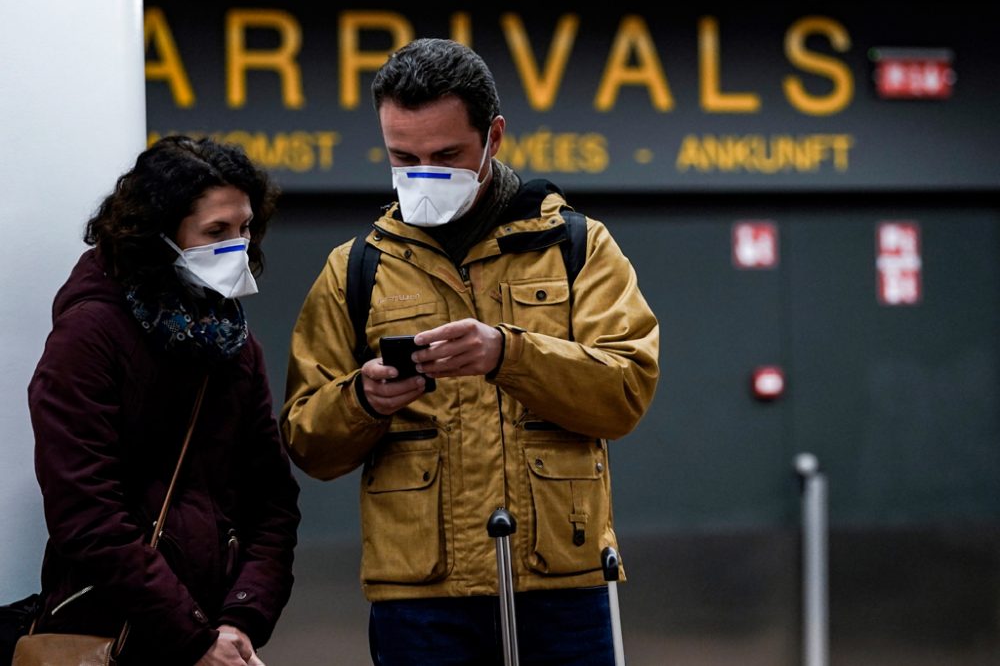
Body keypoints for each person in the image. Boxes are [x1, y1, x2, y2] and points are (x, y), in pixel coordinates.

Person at [281, 38, 659, 665]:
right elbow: (306, 441)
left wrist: (508, 354)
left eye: (447, 154)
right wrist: (363, 400)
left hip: (560, 587)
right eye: (403, 156)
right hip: (421, 599)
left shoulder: (575, 246)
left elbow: (625, 391)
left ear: (493, 137)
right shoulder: (355, 268)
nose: (424, 170)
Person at [27, 135, 301, 666]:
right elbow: (87, 515)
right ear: (160, 235)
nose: (237, 246)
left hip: (216, 631)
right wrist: (193, 637)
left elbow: (273, 504)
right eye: (216, 232)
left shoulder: (233, 342)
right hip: (114, 633)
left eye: (244, 228)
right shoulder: (90, 335)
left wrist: (242, 618)